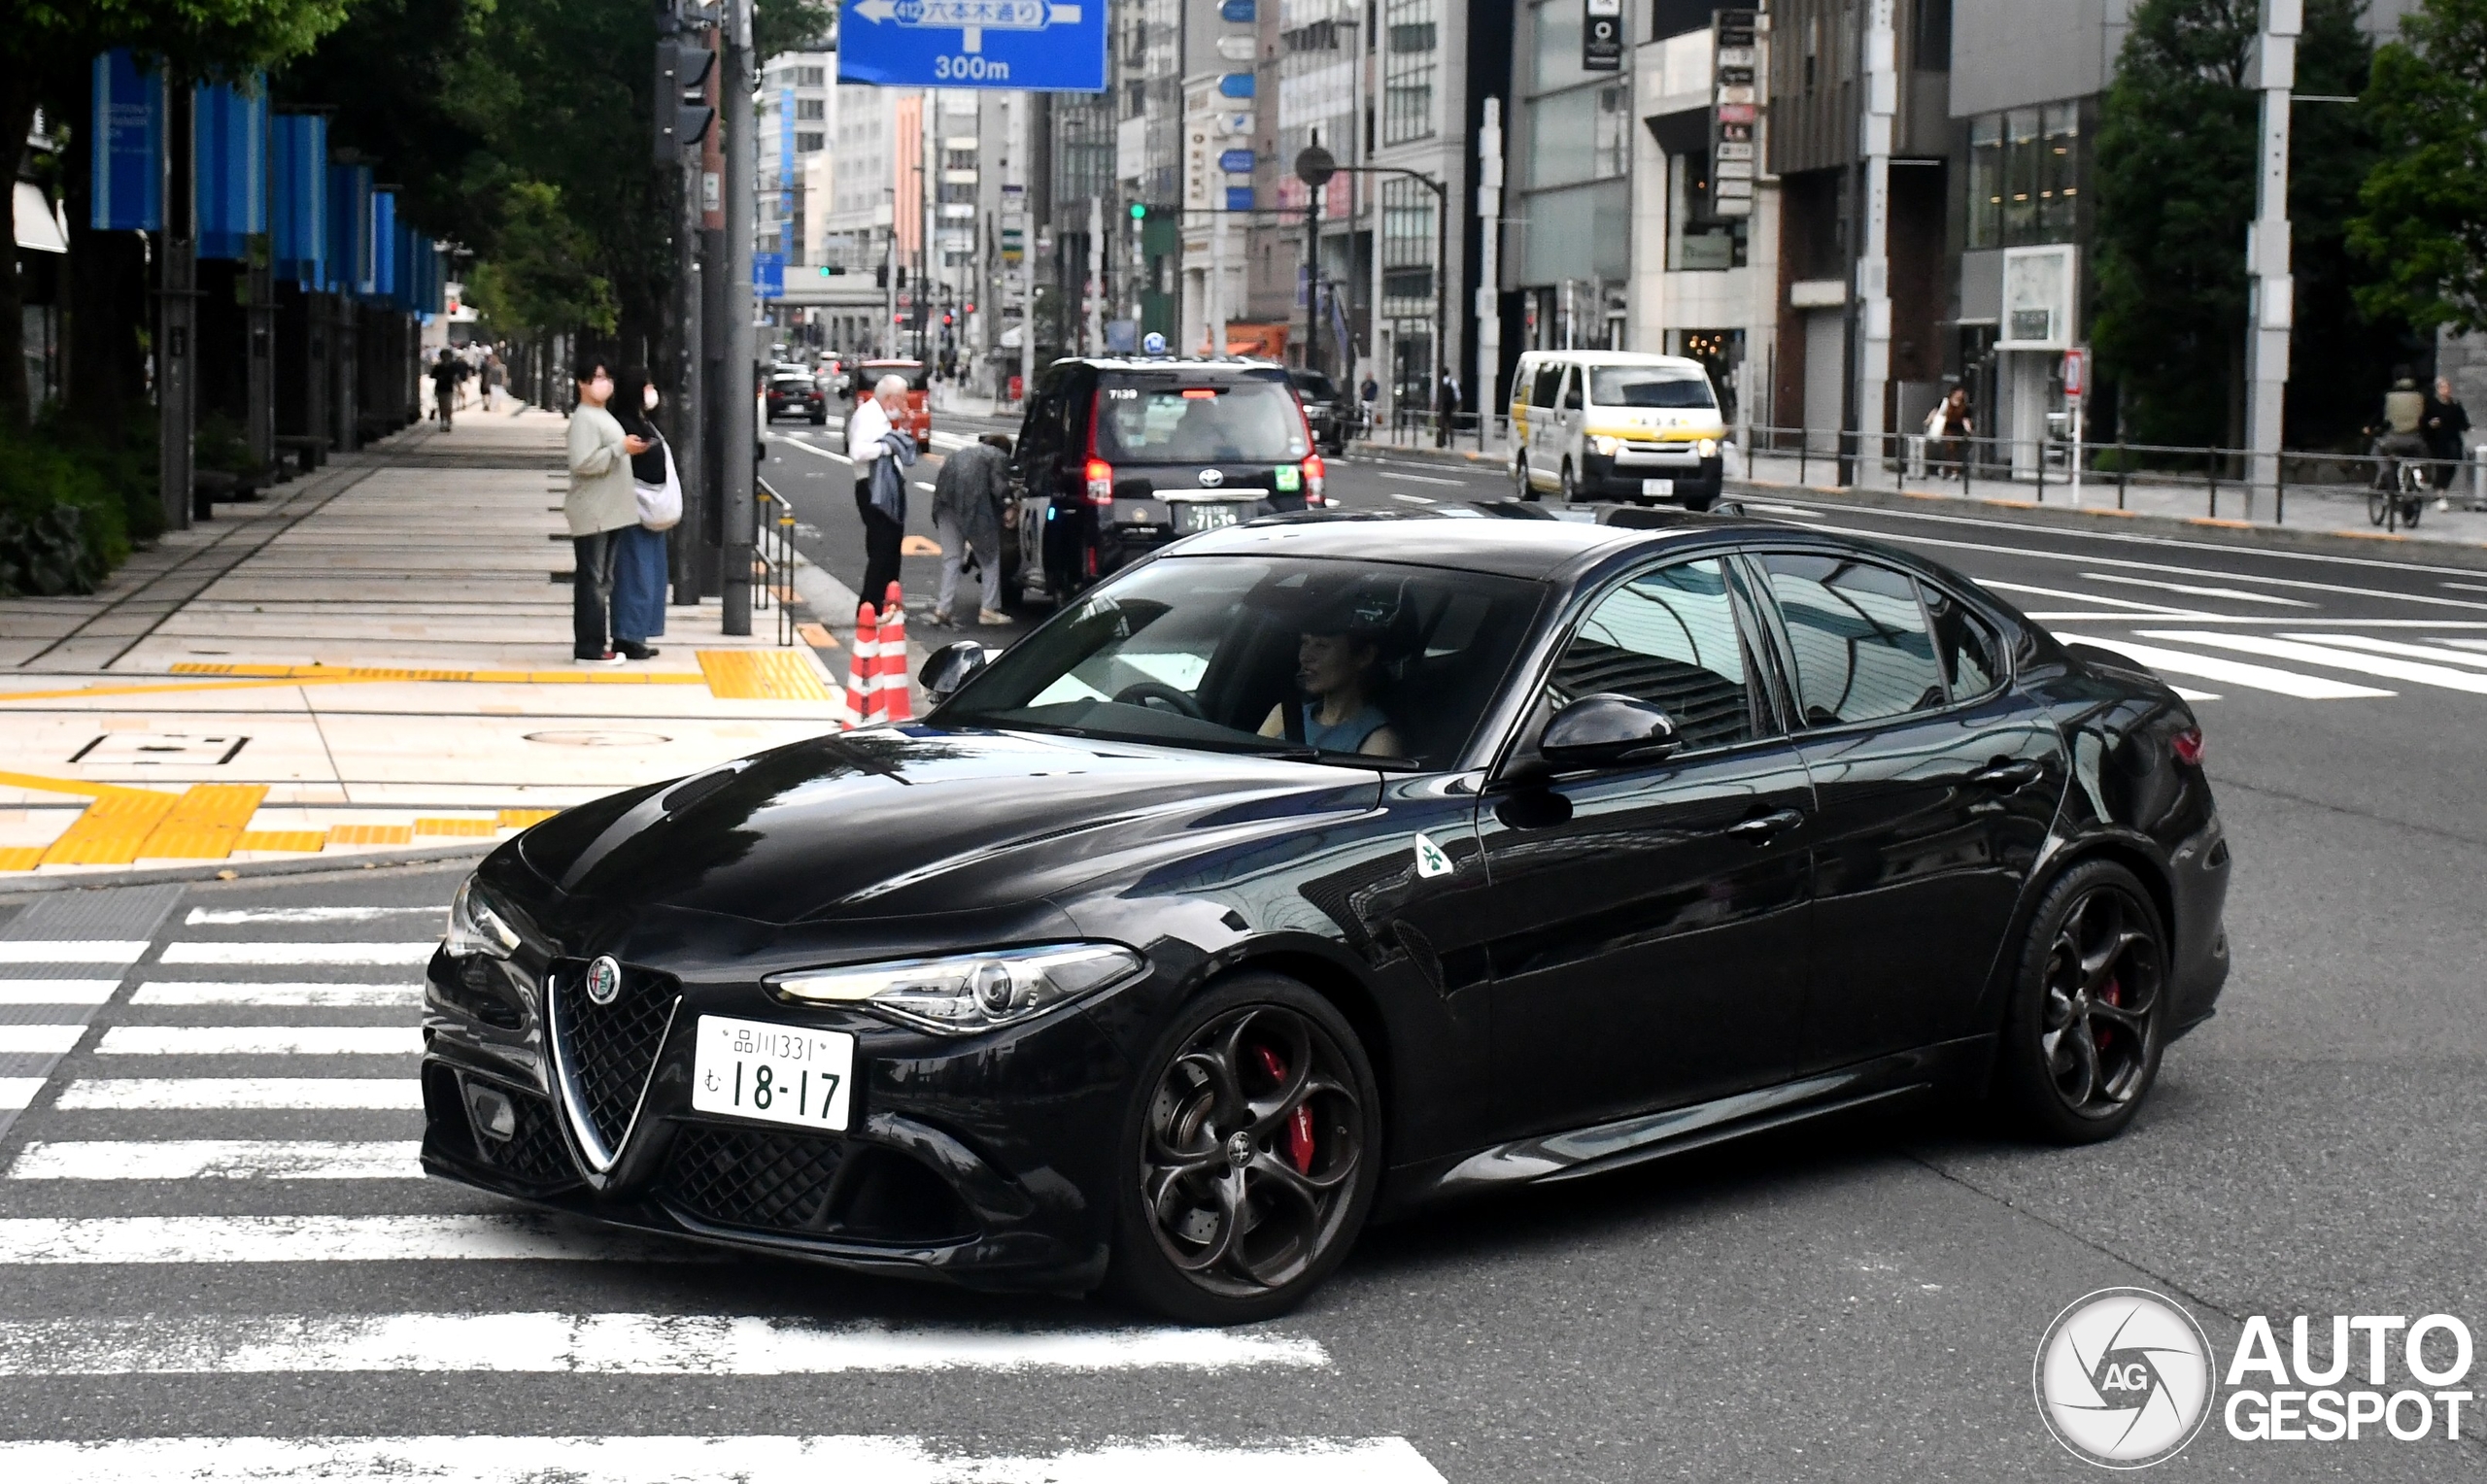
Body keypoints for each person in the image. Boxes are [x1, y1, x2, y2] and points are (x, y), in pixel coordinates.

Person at [564, 358, 647, 666]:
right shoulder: (585, 418)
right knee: (593, 580)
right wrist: (620, 449)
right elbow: (583, 463)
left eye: (607, 377)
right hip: (594, 512)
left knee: (601, 580)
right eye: (596, 377)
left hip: (608, 511)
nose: (604, 383)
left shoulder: (601, 415)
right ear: (581, 383)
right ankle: (589, 647)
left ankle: (594, 644)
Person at [1257, 591, 1407, 758]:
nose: (1305, 656)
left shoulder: (1378, 740)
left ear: (1364, 657)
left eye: (1321, 646)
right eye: (1305, 642)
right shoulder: (1284, 715)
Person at [605, 370, 673, 660]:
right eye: (646, 385)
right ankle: (626, 636)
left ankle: (638, 633)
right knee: (635, 574)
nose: (651, 391)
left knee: (650, 575)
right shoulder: (623, 424)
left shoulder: (642, 421)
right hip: (634, 509)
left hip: (648, 510)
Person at [930, 432, 1013, 627]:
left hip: (944, 505)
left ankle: (943, 608)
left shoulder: (960, 453)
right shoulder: (997, 457)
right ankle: (989, 609)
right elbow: (999, 488)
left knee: (952, 559)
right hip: (975, 508)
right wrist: (1008, 505)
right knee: (990, 558)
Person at [848, 372, 917, 608]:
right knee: (882, 549)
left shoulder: (880, 418)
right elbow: (858, 452)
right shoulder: (868, 415)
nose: (905, 406)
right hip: (873, 488)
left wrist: (903, 431)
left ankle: (885, 601)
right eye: (903, 400)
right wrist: (888, 446)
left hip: (883, 487)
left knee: (889, 548)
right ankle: (871, 604)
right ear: (890, 398)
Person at [2368, 368, 2429, 491]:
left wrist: (2370, 427)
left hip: (2393, 439)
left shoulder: (2388, 395)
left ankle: (2385, 472)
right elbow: (2426, 418)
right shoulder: (2421, 395)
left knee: (2376, 449)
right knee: (2421, 458)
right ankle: (2422, 477)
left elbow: (2380, 416)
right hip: (2415, 441)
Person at [2424, 375, 2471, 504]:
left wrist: (2466, 427)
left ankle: (2441, 489)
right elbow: (2424, 421)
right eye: (2443, 387)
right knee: (2441, 466)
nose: (2446, 390)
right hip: (2437, 440)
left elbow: (2464, 423)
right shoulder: (2432, 404)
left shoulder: (2455, 405)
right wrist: (2430, 423)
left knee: (2453, 463)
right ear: (2438, 389)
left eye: (2448, 387)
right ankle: (2440, 492)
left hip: (2453, 440)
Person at [1932, 386, 1972, 482]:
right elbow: (1936, 411)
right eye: (1959, 392)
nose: (1961, 395)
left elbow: (1965, 419)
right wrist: (1929, 420)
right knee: (1950, 448)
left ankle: (1947, 469)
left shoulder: (1964, 406)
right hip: (1947, 429)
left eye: (1962, 393)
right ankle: (1953, 470)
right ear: (1954, 392)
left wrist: (1968, 429)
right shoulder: (1946, 402)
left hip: (1958, 430)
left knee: (1956, 450)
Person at [428, 349, 464, 430]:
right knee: (441, 406)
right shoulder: (438, 366)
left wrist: (460, 388)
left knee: (448, 406)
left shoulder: (453, 366)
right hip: (440, 388)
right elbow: (432, 375)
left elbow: (456, 377)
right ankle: (443, 421)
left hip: (449, 389)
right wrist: (439, 377)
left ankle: (447, 420)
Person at [1357, 373, 1380, 439]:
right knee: (1365, 415)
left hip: (1371, 401)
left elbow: (1375, 392)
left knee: (1370, 416)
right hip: (1365, 401)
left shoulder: (1374, 384)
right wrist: (1365, 388)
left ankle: (1368, 430)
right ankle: (1364, 429)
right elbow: (1362, 392)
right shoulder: (1364, 383)